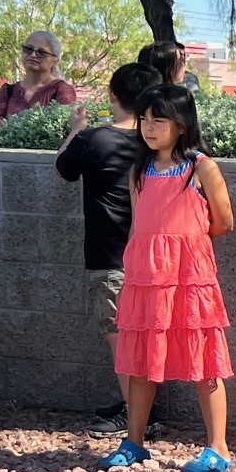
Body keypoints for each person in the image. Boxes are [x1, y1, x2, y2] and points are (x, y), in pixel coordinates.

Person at [94, 83, 236, 472]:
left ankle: (218, 448)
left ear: (182, 122)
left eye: (160, 119)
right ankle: (134, 443)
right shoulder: (139, 169)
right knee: (140, 360)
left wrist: (183, 246)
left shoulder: (202, 166)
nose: (149, 127)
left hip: (191, 278)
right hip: (146, 278)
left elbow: (223, 222)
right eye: (144, 119)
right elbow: (140, 226)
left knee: (206, 361)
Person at [56, 62, 152, 435]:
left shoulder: (95, 140)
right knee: (139, 339)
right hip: (149, 255)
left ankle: (136, 418)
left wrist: (75, 131)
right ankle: (138, 407)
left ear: (113, 96)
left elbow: (63, 168)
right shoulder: (154, 141)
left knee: (120, 339)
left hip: (109, 256)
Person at [0, 31, 80, 134]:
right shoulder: (8, 91)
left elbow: (64, 129)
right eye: (28, 49)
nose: (33, 55)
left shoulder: (62, 89)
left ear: (55, 60)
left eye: (41, 52)